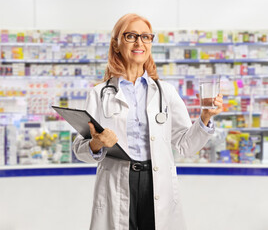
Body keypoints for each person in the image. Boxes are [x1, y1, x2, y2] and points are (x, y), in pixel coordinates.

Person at [73, 13, 223, 230]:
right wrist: (96, 143)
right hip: (117, 182)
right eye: (131, 36)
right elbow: (79, 148)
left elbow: (185, 145)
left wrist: (205, 118)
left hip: (157, 183)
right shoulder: (99, 94)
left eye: (146, 37)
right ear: (116, 45)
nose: (139, 42)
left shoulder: (166, 92)